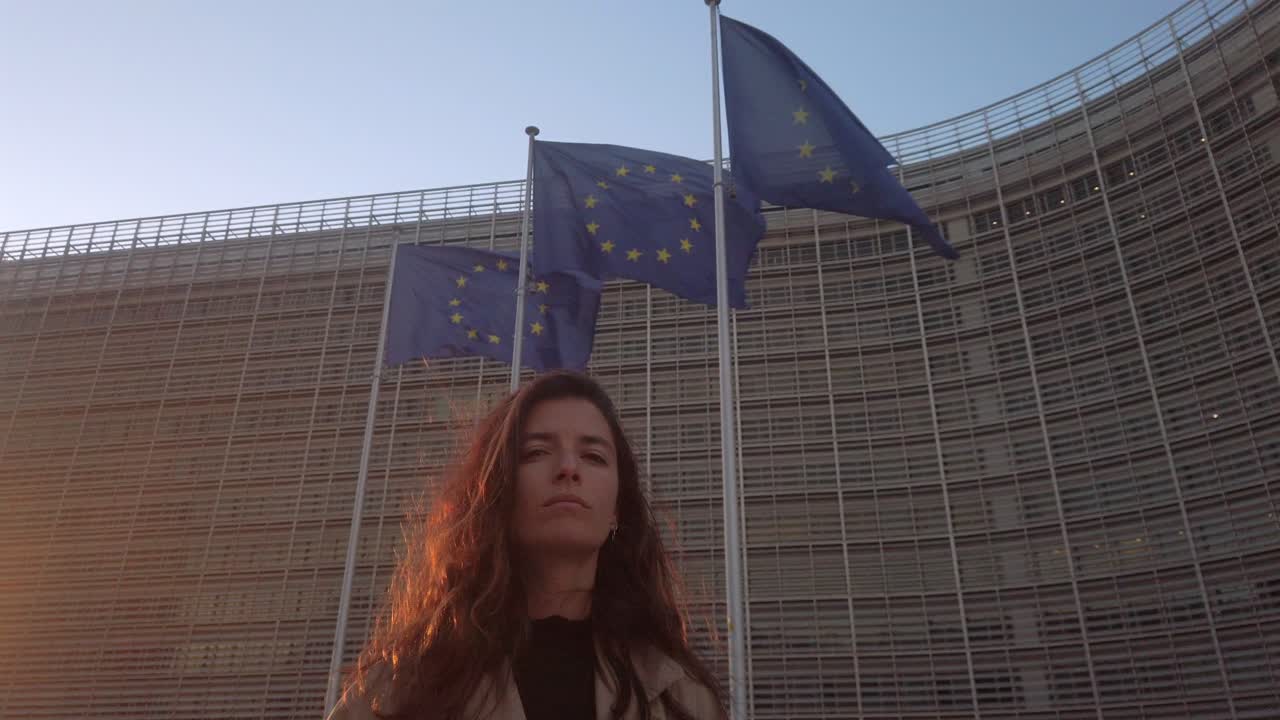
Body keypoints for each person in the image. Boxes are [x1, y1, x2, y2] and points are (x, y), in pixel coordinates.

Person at [326, 370, 725, 720]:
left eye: (593, 456)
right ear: (497, 494)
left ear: (618, 509)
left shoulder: (680, 695)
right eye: (536, 452)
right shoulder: (400, 686)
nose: (569, 469)